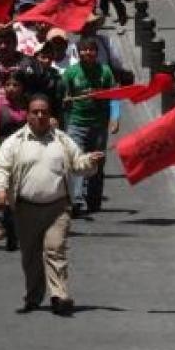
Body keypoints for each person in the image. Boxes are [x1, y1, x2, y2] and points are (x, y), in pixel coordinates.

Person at [0, 93, 104, 316]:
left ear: (50, 114)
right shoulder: (14, 143)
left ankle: (59, 296)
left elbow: (77, 164)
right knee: (30, 255)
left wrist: (91, 162)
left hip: (57, 207)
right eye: (35, 112)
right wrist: (0, 190)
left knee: (55, 250)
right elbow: (1, 168)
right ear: (28, 115)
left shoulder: (62, 140)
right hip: (25, 208)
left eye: (44, 112)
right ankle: (34, 296)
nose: (40, 116)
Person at [61, 37, 118, 216]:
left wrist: (115, 117)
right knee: (77, 161)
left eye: (91, 49)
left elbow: (115, 95)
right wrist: (65, 101)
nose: (87, 53)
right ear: (79, 52)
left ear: (96, 52)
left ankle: (94, 199)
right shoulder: (71, 73)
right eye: (84, 50)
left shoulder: (106, 71)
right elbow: (63, 97)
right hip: (76, 123)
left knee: (96, 162)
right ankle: (76, 200)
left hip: (99, 124)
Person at [0, 71, 27, 249]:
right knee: (4, 193)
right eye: (8, 85)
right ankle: (7, 227)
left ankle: (21, 230)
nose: (11, 88)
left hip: (24, 153)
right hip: (4, 152)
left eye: (15, 85)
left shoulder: (27, 106)